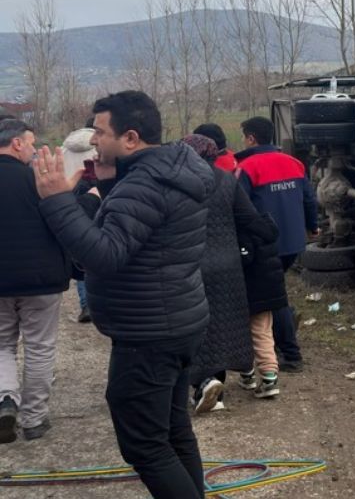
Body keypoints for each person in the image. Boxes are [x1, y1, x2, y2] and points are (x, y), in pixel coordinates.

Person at [35, 90, 214, 499]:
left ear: (130, 137)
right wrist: (107, 184)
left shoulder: (144, 184)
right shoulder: (172, 168)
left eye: (100, 132)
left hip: (148, 334)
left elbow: (104, 256)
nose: (93, 140)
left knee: (145, 446)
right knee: (173, 431)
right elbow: (138, 233)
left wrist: (57, 201)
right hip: (177, 320)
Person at [180, 134, 264, 414]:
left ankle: (202, 382)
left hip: (190, 263)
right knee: (223, 325)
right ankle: (217, 388)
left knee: (194, 325)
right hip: (228, 264)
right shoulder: (227, 180)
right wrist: (269, 235)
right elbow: (248, 217)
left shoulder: (178, 181)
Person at [0, 118, 70, 443]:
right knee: (39, 347)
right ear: (16, 143)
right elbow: (65, 221)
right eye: (30, 142)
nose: (33, 148)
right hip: (42, 279)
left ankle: (5, 399)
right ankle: (34, 419)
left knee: (1, 344)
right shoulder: (40, 180)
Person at [234, 116, 317, 373]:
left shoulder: (246, 168)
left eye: (244, 137)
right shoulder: (293, 162)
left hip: (264, 245)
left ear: (251, 138)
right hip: (294, 241)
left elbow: (238, 207)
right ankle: (284, 335)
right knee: (276, 291)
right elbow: (309, 199)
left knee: (273, 299)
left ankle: (290, 354)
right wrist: (312, 227)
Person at [236, 208, 288, 400]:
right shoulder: (266, 225)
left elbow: (244, 258)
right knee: (263, 332)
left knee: (242, 332)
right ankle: (269, 377)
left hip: (249, 291)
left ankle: (248, 373)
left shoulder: (242, 231)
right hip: (269, 292)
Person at [61, 117, 98, 323]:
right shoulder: (101, 142)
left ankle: (86, 304)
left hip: (69, 197)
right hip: (97, 195)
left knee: (80, 251)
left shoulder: (66, 146)